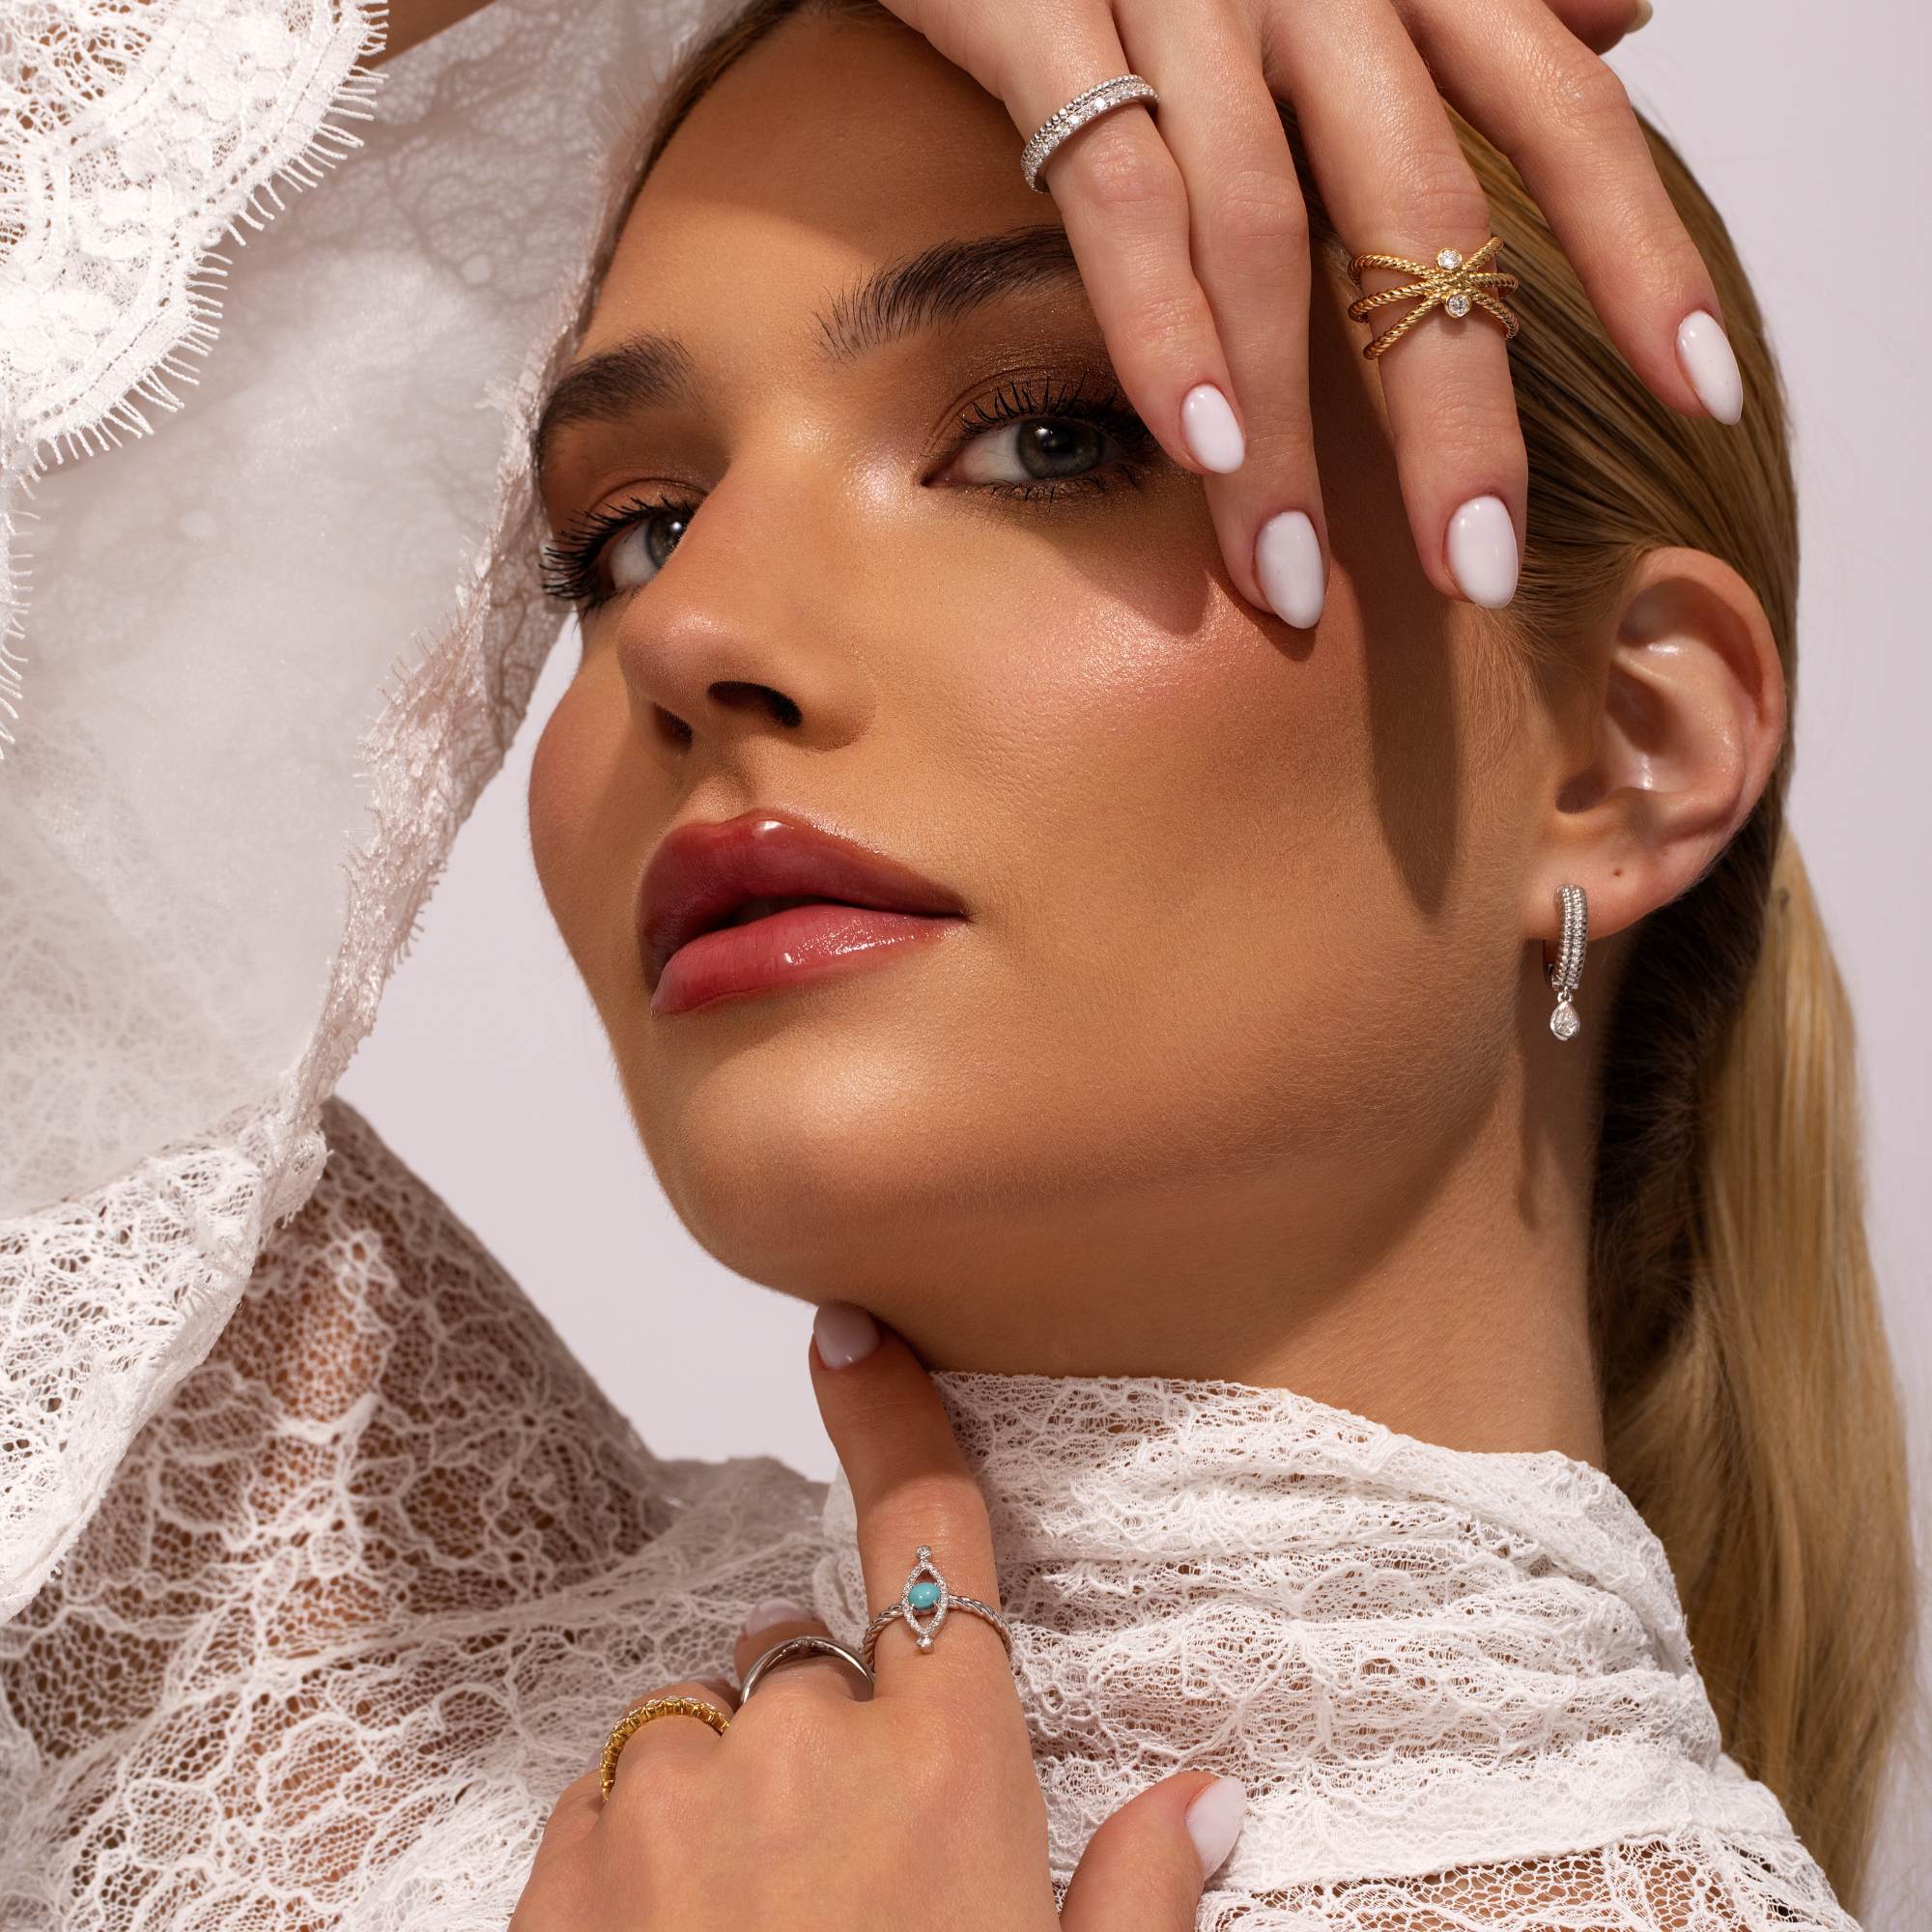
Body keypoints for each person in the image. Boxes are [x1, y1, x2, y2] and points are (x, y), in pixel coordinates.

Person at [0, 0, 1912, 1926]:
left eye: (1044, 436)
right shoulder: (346, 1654)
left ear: (1618, 753)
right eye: (631, 535)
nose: (697, 628)